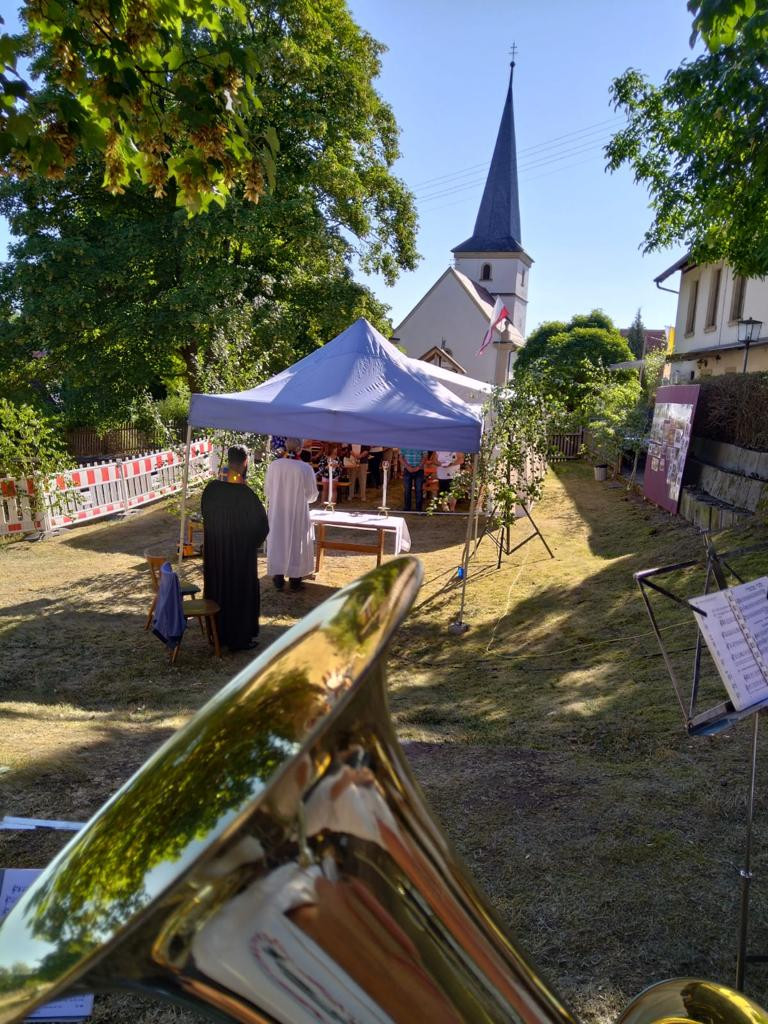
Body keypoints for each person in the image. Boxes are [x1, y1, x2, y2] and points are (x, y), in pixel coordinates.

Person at [201, 444, 269, 651]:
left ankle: (217, 633)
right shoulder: (246, 494)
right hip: (240, 556)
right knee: (239, 593)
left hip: (217, 554)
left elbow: (206, 517)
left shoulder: (211, 490)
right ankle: (239, 637)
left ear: (228, 460)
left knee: (219, 590)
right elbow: (262, 525)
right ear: (245, 462)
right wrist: (249, 544)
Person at [265, 437, 318, 591]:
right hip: (297, 511)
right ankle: (295, 579)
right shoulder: (304, 468)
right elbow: (312, 495)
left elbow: (268, 491)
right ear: (300, 448)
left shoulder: (274, 466)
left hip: (278, 511)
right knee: (296, 543)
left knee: (278, 541)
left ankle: (278, 577)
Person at [399, 447, 426, 512]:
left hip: (419, 470)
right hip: (407, 469)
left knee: (419, 489)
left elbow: (425, 456)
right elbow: (401, 458)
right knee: (407, 489)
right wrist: (408, 467)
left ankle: (418, 508)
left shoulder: (422, 443)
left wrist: (418, 467)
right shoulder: (404, 444)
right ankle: (407, 507)